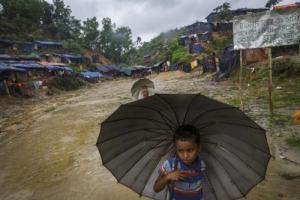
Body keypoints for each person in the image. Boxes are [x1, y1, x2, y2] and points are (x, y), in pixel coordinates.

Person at [153, 125, 205, 200]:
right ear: (176, 149)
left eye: (190, 150)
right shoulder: (170, 165)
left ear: (199, 147)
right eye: (180, 151)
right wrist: (168, 177)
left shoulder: (201, 165)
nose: (185, 155)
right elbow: (156, 188)